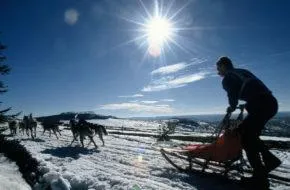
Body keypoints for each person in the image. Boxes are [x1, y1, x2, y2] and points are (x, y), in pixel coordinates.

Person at [216, 56, 281, 188]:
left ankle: (262, 174)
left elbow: (232, 93)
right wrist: (247, 104)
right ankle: (266, 166)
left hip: (260, 104)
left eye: (218, 68)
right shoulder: (242, 71)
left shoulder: (228, 77)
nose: (218, 72)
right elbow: (253, 89)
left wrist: (232, 106)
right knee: (249, 135)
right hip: (270, 102)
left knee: (245, 137)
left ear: (223, 66)